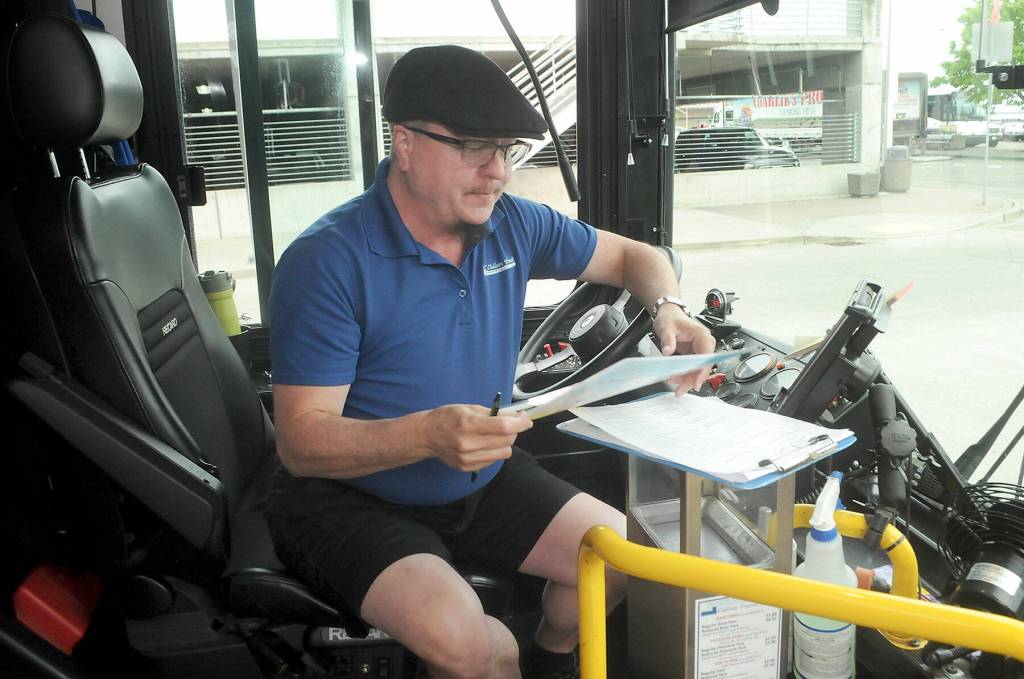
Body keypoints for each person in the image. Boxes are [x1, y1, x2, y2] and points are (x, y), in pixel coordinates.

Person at [265, 45, 715, 679]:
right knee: (476, 648)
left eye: (505, 150)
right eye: (475, 148)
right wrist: (427, 435)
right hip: (348, 499)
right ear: (405, 143)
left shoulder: (510, 226)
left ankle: (551, 657)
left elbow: (633, 257)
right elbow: (302, 443)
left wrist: (668, 306)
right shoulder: (328, 261)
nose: (497, 172)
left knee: (626, 558)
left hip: (480, 476)